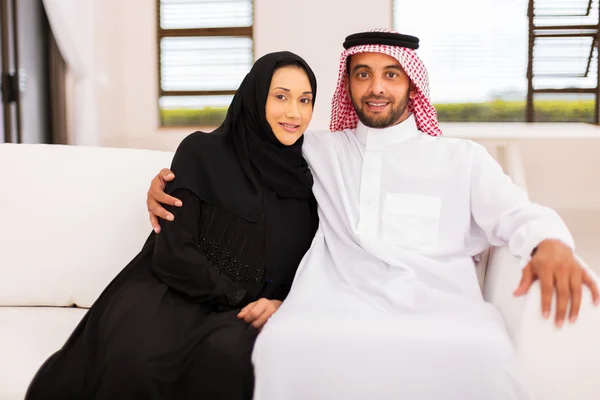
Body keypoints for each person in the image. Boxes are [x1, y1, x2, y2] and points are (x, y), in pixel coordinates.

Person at [146, 30, 599, 399]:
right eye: (362, 74)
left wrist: (550, 242)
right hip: (329, 305)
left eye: (391, 74)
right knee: (282, 345)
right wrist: (167, 183)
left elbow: (517, 213)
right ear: (348, 86)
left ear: (412, 85)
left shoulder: (461, 159)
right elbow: (241, 151)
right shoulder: (317, 151)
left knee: (483, 350)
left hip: (440, 309)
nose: (376, 87)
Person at [25, 51, 319, 400]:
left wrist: (283, 304)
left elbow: (322, 264)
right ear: (255, 97)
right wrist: (239, 296)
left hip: (244, 315)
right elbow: (174, 251)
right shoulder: (202, 152)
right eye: (280, 96)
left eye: (305, 100)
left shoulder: (315, 175)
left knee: (231, 359)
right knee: (138, 362)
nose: (294, 113)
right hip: (171, 293)